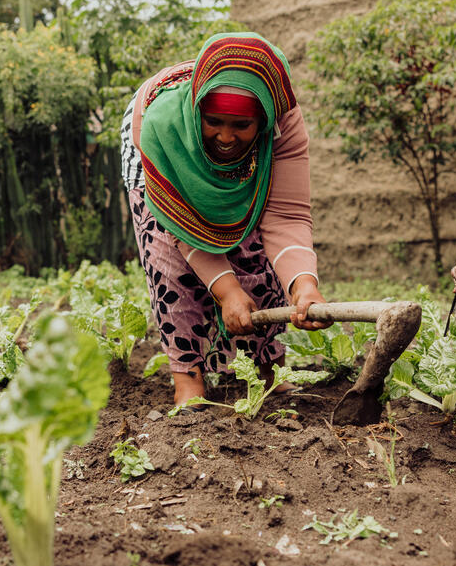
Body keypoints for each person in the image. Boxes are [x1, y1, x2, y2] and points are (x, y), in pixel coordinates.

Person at [120, 32, 330, 408]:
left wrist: (303, 286)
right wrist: (226, 291)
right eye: (213, 121)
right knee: (168, 259)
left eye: (241, 126)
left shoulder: (282, 123)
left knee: (251, 250)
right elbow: (181, 228)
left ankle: (270, 367)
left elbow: (286, 214)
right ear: (199, 109)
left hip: (245, 152)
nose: (226, 137)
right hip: (159, 147)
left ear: (264, 121)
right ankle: (188, 378)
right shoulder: (161, 126)